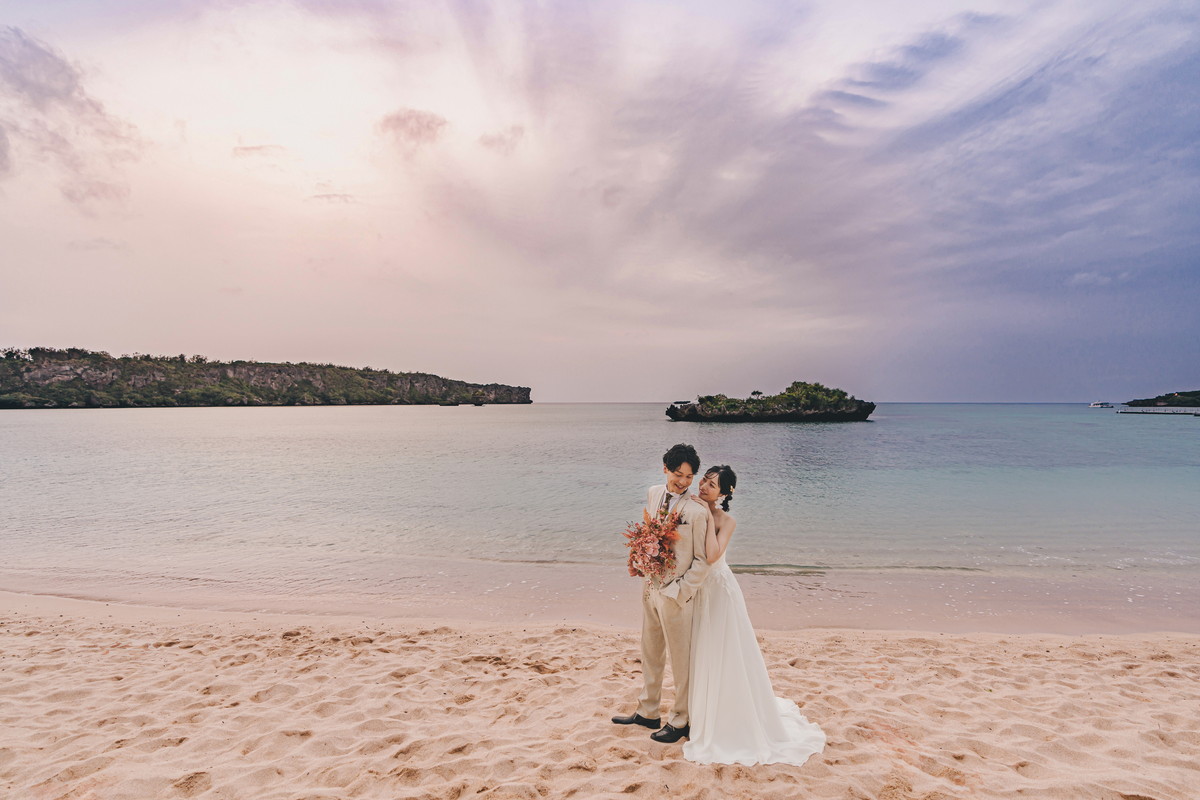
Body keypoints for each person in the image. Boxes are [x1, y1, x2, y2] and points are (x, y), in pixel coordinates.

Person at [683, 465, 826, 765]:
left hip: (720, 591)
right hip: (697, 589)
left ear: (723, 494)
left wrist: (708, 517)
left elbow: (712, 556)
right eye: (704, 481)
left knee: (725, 652)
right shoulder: (689, 506)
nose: (704, 487)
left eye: (712, 485)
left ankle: (726, 716)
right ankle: (699, 712)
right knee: (701, 651)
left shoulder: (727, 520)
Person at [611, 443, 713, 744]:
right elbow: (648, 532)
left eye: (690, 476)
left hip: (677, 594)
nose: (683, 482)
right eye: (678, 474)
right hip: (650, 586)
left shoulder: (696, 511)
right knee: (650, 651)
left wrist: (681, 591)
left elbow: (704, 559)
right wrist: (640, 561)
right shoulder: (654, 493)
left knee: (681, 659)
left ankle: (681, 719)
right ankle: (648, 711)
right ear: (665, 468)